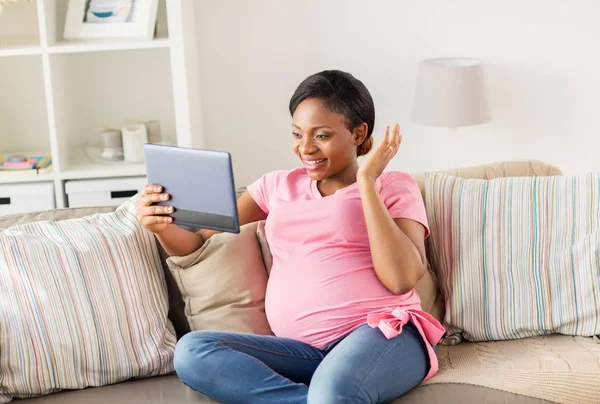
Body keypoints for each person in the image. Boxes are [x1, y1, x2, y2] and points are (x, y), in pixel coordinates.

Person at [136, 70, 444, 404]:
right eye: (297, 134)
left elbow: (400, 280)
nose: (305, 148)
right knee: (193, 351)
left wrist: (366, 182)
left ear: (358, 133)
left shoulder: (392, 185)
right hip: (305, 355)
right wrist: (162, 226)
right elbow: (198, 243)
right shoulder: (275, 187)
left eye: (322, 136)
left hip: (385, 336)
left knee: (332, 390)